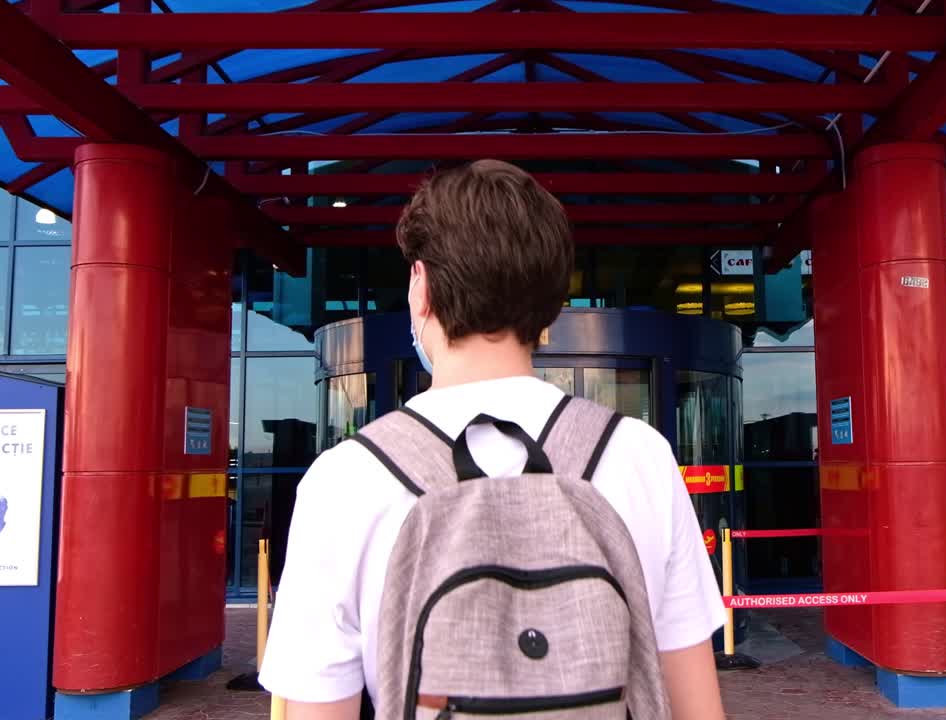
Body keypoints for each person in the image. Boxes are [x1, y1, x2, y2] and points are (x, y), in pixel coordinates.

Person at [259, 160, 727, 719]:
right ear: (551, 305)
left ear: (421, 289)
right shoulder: (639, 455)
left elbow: (319, 708)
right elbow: (697, 706)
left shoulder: (344, 479)